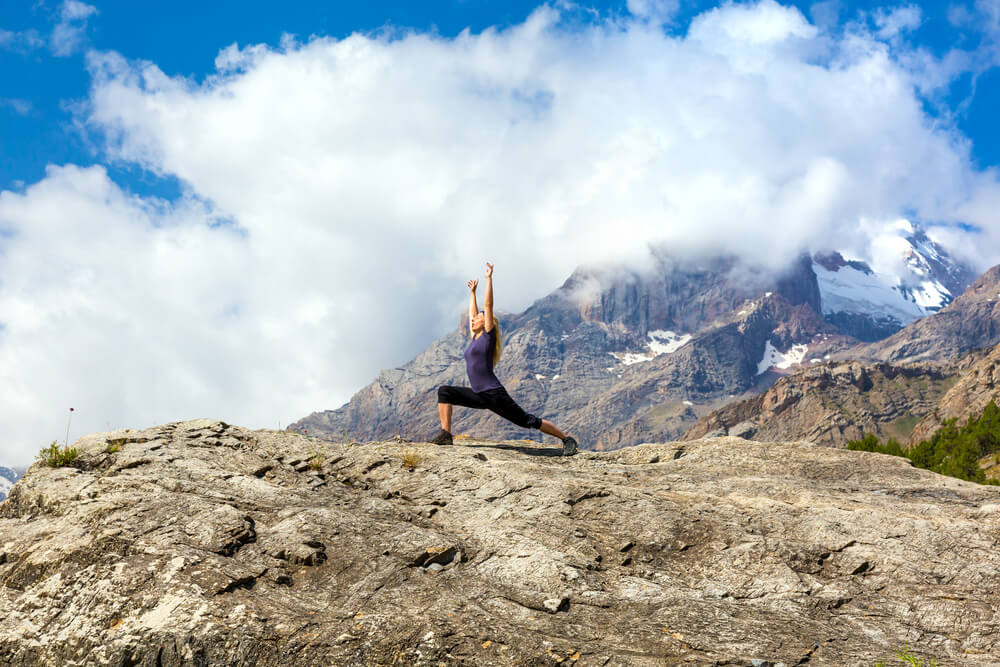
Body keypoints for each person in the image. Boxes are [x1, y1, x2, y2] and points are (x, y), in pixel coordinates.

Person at [430, 262, 578, 456]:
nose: (473, 320)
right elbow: (472, 313)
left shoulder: (488, 336)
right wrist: (472, 293)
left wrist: (488, 280)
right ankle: (446, 434)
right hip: (478, 394)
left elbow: (488, 306)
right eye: (473, 319)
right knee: (445, 392)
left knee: (527, 420)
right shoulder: (475, 337)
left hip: (493, 394)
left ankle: (567, 439)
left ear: (487, 323)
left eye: (478, 319)